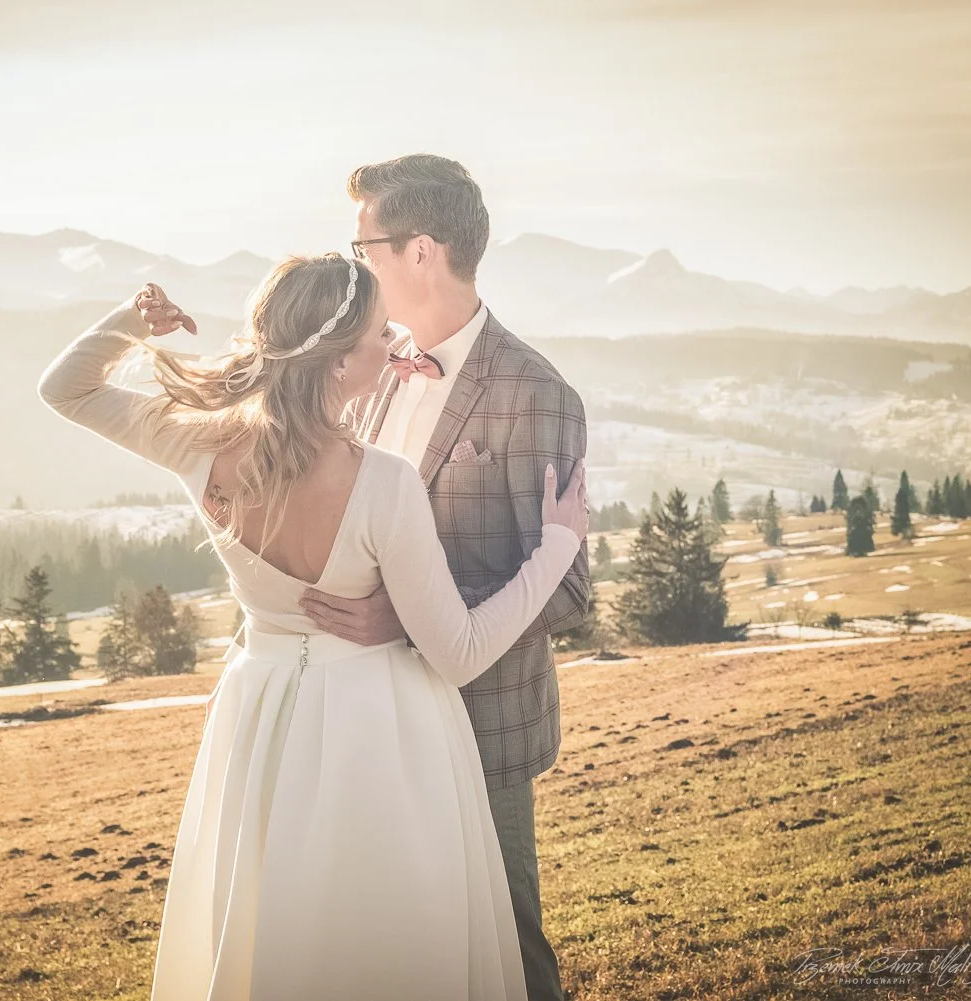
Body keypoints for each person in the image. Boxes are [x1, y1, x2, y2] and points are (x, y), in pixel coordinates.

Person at [37, 257, 587, 1000]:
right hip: (379, 729)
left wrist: (134, 323)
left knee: (276, 922)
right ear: (335, 364)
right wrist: (553, 551)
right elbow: (456, 653)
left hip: (260, 714)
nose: (394, 339)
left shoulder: (198, 440)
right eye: (376, 333)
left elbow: (63, 388)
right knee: (383, 934)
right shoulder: (381, 483)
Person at [300, 154, 590, 1001]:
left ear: (421, 250)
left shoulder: (537, 394)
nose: (355, 266)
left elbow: (567, 583)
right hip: (371, 709)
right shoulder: (366, 372)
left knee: (507, 940)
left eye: (365, 248)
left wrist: (411, 621)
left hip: (482, 719)